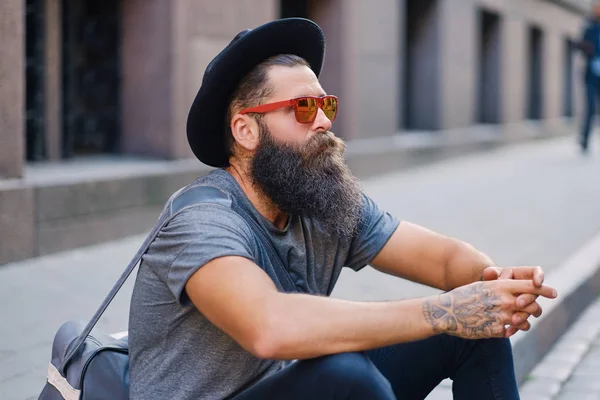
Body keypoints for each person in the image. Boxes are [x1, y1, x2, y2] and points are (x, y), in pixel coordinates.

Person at [128, 18, 557, 400]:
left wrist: (496, 285)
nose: (324, 121)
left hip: (294, 386)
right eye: (302, 107)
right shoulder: (201, 220)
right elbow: (269, 326)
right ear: (245, 130)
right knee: (346, 376)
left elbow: (446, 262)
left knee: (474, 329)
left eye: (325, 104)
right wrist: (443, 314)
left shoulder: (319, 202)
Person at [579, 2, 600, 154]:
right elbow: (582, 46)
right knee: (591, 107)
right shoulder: (589, 27)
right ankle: (585, 139)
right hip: (591, 74)